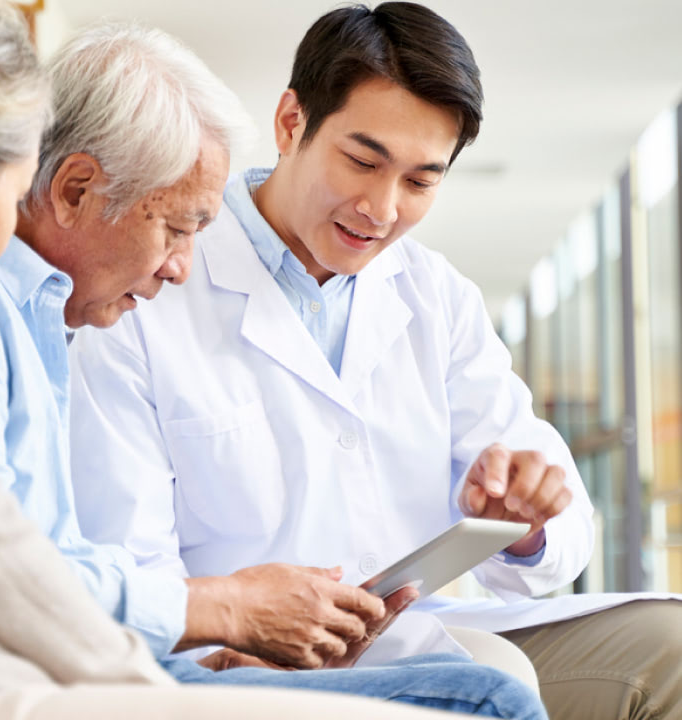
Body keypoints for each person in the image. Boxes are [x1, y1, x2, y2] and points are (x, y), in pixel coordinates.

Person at [0, 1, 519, 719]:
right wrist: (203, 628)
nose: (2, 234)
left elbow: (16, 545)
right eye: (7, 198)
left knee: (479, 677)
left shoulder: (24, 311)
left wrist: (185, 649)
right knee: (484, 696)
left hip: (54, 659)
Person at [66, 3, 682, 720]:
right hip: (235, 660)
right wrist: (223, 639)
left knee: (668, 645)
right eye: (363, 161)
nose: (381, 208)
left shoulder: (436, 298)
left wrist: (528, 516)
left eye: (421, 182)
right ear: (291, 121)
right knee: (495, 680)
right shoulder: (148, 281)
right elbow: (122, 558)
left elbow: (556, 543)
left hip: (419, 633)